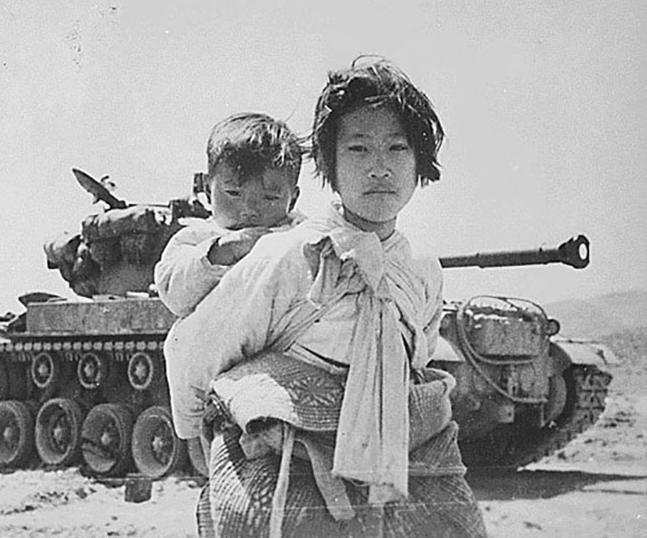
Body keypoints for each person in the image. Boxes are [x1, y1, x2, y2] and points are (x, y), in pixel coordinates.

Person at [165, 57, 487, 538]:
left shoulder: (422, 272)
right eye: (357, 148)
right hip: (289, 462)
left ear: (420, 165)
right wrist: (192, 433)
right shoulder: (290, 254)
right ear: (330, 166)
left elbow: (417, 356)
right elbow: (198, 346)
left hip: (397, 459)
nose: (379, 167)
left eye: (397, 148)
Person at [154, 111, 304, 320]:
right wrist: (220, 252)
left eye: (270, 197)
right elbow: (173, 293)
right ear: (207, 188)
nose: (249, 210)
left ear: (293, 199)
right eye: (234, 193)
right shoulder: (196, 239)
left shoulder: (301, 237)